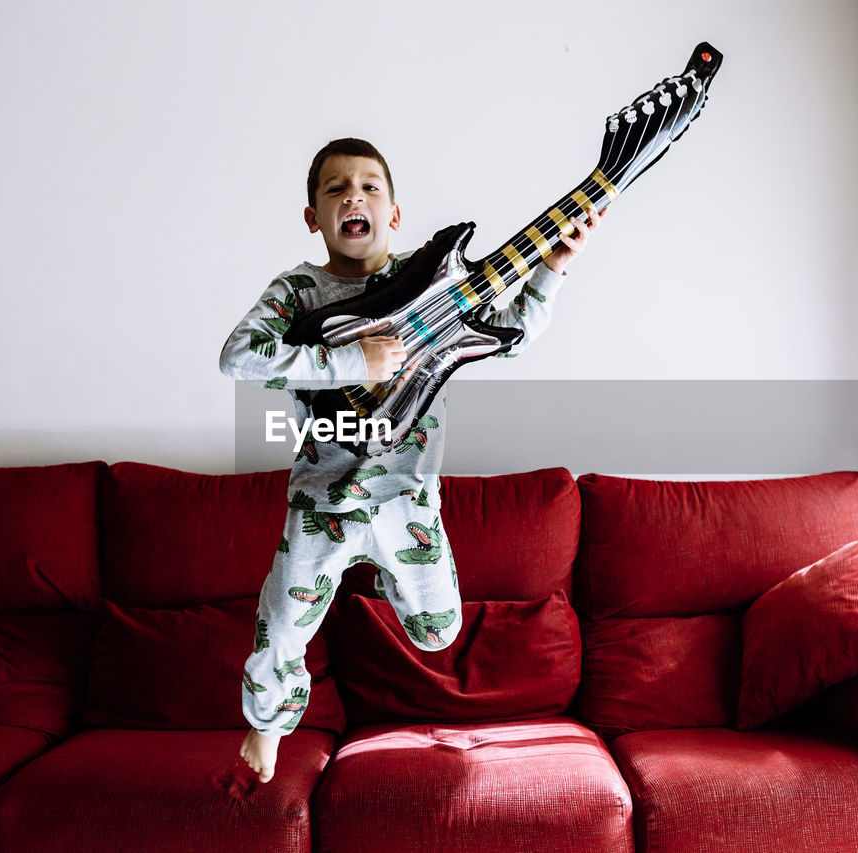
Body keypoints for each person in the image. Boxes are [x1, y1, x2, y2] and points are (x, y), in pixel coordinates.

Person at [219, 137, 604, 783]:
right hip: (325, 499)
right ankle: (267, 725)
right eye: (336, 188)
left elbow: (506, 336)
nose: (353, 196)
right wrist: (350, 360)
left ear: (394, 214)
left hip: (408, 499)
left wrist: (552, 270)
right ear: (313, 216)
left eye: (370, 186)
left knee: (437, 633)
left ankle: (385, 575)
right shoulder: (299, 292)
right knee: (283, 622)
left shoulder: (427, 283)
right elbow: (238, 355)